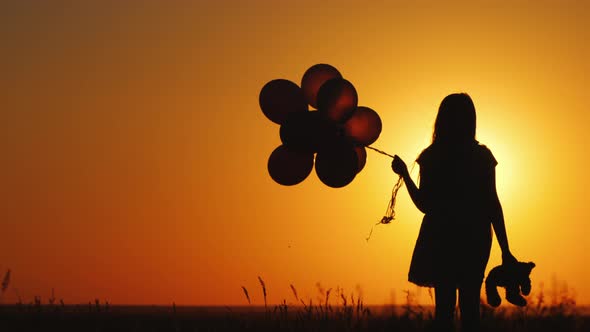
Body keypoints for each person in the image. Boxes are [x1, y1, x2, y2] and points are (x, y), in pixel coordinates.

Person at [391, 93, 517, 332]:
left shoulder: (433, 156)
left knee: (444, 312)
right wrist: (505, 249)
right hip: (475, 237)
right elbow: (493, 204)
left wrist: (405, 175)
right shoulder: (481, 156)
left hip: (441, 238)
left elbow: (425, 205)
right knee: (470, 310)